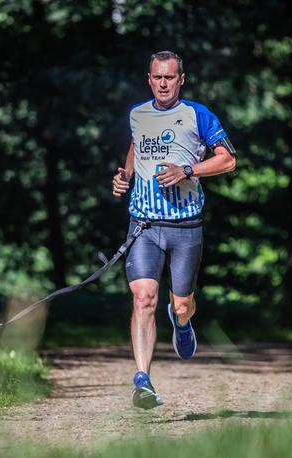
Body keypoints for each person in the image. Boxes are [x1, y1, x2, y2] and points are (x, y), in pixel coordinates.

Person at [112, 50, 237, 409]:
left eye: (170, 77)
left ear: (181, 79)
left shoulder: (198, 114)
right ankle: (142, 380)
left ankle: (181, 323)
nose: (163, 83)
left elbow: (228, 159)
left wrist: (189, 170)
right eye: (157, 77)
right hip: (144, 225)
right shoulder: (137, 114)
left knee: (181, 304)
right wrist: (124, 177)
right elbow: (137, 149)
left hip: (185, 226)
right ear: (149, 79)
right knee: (143, 298)